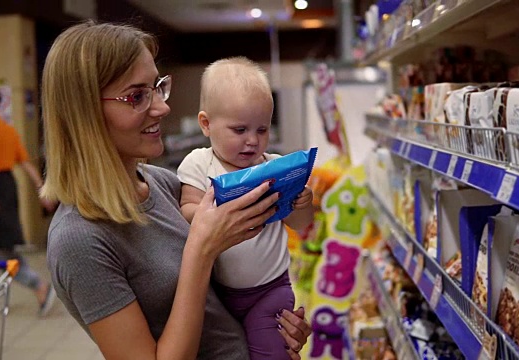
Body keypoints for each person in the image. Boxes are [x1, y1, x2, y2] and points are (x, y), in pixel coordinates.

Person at [41, 21, 312, 360]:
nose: (162, 107)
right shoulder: (79, 239)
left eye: (157, 87)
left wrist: (273, 329)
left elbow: (218, 308)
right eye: (137, 96)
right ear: (85, 112)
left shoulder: (166, 185)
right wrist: (201, 250)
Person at [177, 57, 315, 360]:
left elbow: (301, 224)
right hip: (217, 292)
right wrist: (213, 215)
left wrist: (303, 202)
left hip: (270, 290)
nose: (252, 141)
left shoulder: (273, 166)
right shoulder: (199, 164)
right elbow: (187, 210)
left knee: (272, 353)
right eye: (240, 130)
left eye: (262, 129)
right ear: (206, 123)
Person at [0, 82, 58, 317]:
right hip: (5, 188)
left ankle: (39, 287)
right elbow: (25, 162)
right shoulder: (5, 128)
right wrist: (41, 189)